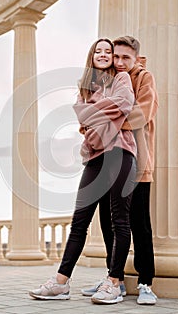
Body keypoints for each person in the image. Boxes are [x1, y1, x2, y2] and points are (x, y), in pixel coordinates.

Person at [29, 38, 137, 304]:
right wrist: (104, 116)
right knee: (79, 221)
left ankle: (114, 283)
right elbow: (81, 116)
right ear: (91, 56)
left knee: (119, 220)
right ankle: (61, 283)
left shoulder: (121, 79)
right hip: (94, 158)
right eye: (98, 51)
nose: (103, 54)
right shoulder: (85, 88)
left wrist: (93, 115)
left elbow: (123, 105)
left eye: (108, 51)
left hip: (120, 153)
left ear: (113, 57)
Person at [81, 36, 158, 305]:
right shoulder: (108, 79)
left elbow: (141, 114)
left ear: (136, 58)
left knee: (139, 224)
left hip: (138, 164)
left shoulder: (144, 78)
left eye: (126, 57)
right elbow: (86, 115)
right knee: (107, 223)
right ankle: (115, 280)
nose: (120, 62)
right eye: (117, 57)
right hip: (107, 163)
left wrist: (106, 120)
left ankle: (146, 282)